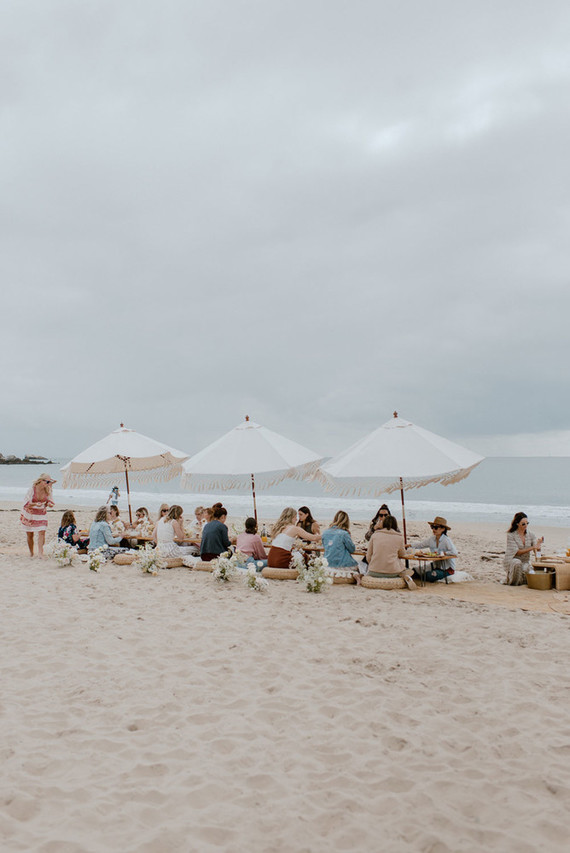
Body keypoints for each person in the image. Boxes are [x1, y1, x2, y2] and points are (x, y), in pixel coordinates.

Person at [366, 515, 415, 588]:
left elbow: (368, 556)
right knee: (407, 570)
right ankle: (406, 576)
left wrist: (373, 564)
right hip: (392, 572)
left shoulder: (375, 535)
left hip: (374, 571)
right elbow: (402, 554)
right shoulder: (399, 537)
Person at [21, 473, 56, 558]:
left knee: (42, 531)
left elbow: (50, 501)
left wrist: (49, 504)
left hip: (41, 513)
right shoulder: (32, 489)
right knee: (30, 534)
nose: (48, 484)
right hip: (30, 513)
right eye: (47, 482)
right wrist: (35, 504)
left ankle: (40, 553)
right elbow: (26, 503)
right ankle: (32, 553)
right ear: (41, 480)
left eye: (49, 482)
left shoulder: (48, 489)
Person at [413, 516, 458, 582]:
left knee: (428, 575)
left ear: (443, 529)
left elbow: (454, 552)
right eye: (432, 527)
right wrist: (409, 545)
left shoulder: (446, 540)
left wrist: (444, 553)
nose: (433, 530)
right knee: (414, 571)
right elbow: (421, 544)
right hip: (435, 565)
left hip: (446, 568)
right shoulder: (432, 539)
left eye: (436, 528)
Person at [504, 512, 544, 586]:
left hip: (525, 561)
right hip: (513, 559)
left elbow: (536, 550)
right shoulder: (511, 535)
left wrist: (538, 545)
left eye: (527, 523)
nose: (526, 526)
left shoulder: (531, 534)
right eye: (523, 524)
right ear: (517, 524)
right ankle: (513, 581)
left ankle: (519, 578)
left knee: (529, 571)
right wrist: (532, 547)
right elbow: (517, 552)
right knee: (517, 563)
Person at [322, 511, 359, 579]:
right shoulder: (344, 534)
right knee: (359, 565)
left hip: (328, 564)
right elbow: (352, 549)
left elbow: (325, 547)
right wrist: (349, 536)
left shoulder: (325, 533)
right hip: (342, 564)